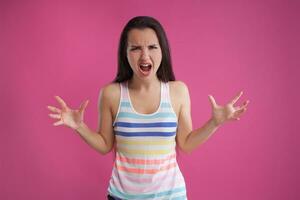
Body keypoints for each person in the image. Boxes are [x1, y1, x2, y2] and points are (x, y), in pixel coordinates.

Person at [47, 16, 249, 200]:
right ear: (125, 54)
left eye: (152, 47)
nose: (144, 56)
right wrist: (78, 126)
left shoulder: (177, 91)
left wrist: (215, 123)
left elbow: (186, 143)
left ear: (163, 51)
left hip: (171, 196)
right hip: (122, 196)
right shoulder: (111, 94)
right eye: (135, 48)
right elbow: (105, 145)